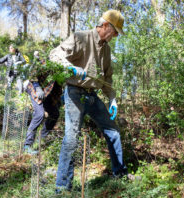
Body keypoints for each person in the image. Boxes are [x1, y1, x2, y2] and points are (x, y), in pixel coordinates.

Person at [49, 10, 132, 193]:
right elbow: (54, 54)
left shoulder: (107, 50)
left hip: (92, 97)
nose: (116, 35)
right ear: (105, 26)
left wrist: (112, 100)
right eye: (115, 31)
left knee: (113, 130)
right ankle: (62, 187)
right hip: (75, 94)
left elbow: (107, 79)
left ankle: (120, 173)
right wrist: (70, 67)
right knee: (71, 138)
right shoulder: (81, 37)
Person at [23, 51, 62, 154]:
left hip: (47, 93)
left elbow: (59, 85)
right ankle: (27, 145)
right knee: (39, 114)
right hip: (35, 88)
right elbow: (33, 74)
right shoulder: (43, 63)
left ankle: (39, 141)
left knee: (54, 114)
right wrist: (37, 87)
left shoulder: (62, 69)